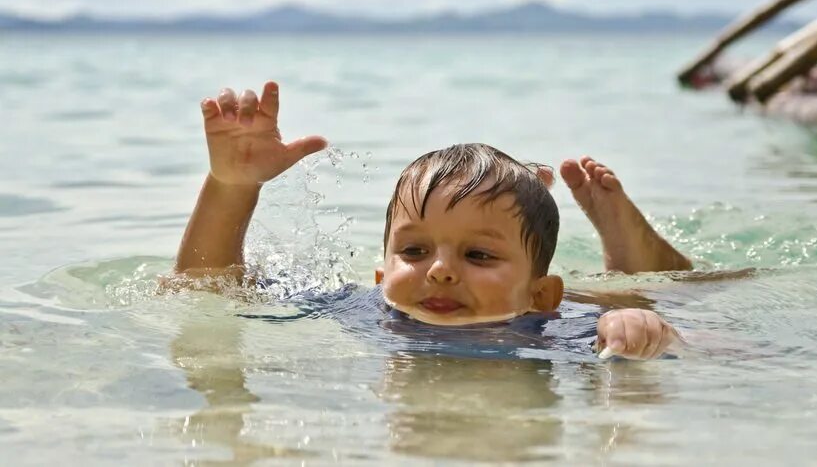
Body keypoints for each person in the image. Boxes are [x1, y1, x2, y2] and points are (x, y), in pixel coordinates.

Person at [173, 81, 693, 360]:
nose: (440, 271)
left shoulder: (557, 332)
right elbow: (208, 286)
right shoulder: (359, 308)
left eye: (478, 254)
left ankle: (631, 253)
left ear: (542, 296)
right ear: (380, 278)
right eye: (414, 251)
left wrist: (645, 330)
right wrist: (233, 187)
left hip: (552, 308)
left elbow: (734, 350)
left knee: (651, 294)